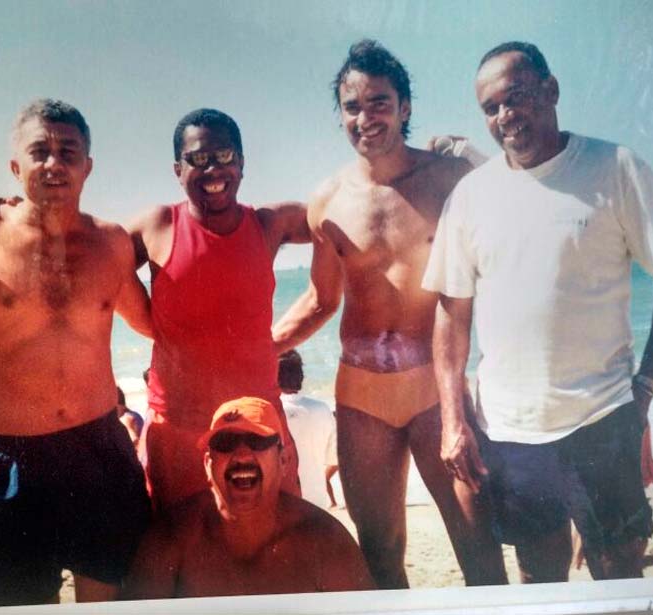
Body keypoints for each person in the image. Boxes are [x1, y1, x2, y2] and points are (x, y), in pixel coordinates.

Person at [423, 41, 653, 582]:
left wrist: (645, 389)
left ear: (551, 90)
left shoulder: (615, 168)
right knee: (538, 576)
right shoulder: (471, 196)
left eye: (516, 97)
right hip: (510, 431)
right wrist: (454, 420)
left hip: (602, 419)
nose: (505, 116)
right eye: (490, 108)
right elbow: (451, 315)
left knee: (618, 575)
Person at [272, 39, 507, 588]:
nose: (365, 117)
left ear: (405, 107)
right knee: (379, 555)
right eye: (352, 106)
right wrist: (258, 348)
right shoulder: (327, 200)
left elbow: (515, 224)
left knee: (478, 545)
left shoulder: (449, 178)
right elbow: (321, 300)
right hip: (362, 397)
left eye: (379, 102)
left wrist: (477, 158)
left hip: (435, 389)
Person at [0, 99, 152, 606]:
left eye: (68, 152)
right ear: (15, 166)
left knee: (110, 603)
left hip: (99, 451)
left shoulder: (111, 242)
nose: (54, 163)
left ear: (88, 166)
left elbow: (155, 325)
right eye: (39, 151)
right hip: (7, 456)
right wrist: (3, 378)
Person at [128, 108, 309, 511]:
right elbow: (89, 255)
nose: (213, 169)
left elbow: (343, 218)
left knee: (275, 536)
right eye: (198, 158)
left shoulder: (269, 224)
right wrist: (14, 214)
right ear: (178, 169)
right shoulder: (157, 226)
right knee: (181, 538)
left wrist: (284, 337)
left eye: (225, 156)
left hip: (258, 421)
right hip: (177, 428)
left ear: (241, 163)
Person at [121, 396, 375, 599]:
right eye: (226, 442)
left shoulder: (324, 540)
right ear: (208, 464)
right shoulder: (172, 538)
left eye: (257, 441)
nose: (242, 455)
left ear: (283, 460)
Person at [277, 350, 339, 509]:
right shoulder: (322, 409)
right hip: (316, 504)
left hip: (281, 505)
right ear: (301, 377)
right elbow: (334, 458)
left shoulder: (270, 411)